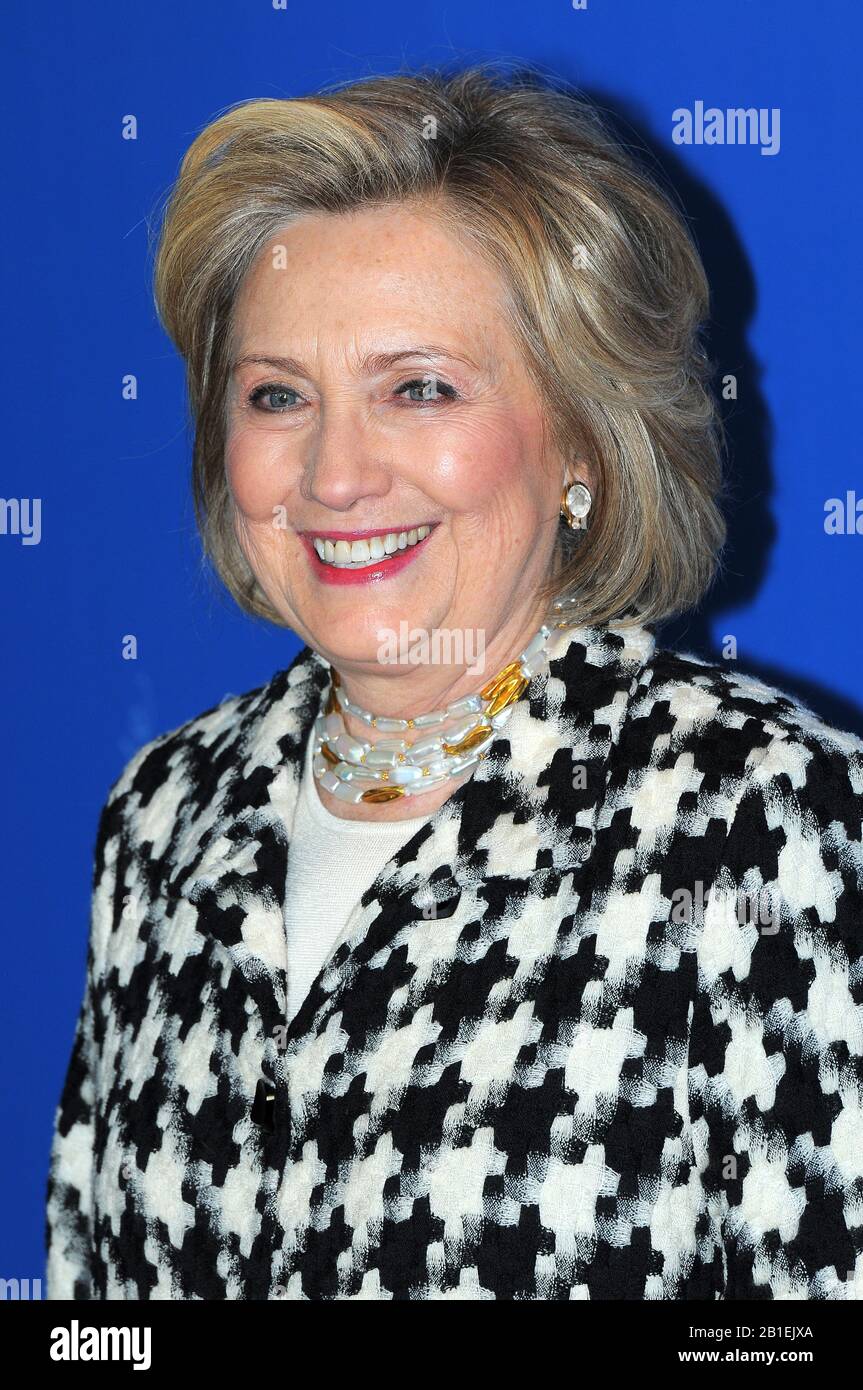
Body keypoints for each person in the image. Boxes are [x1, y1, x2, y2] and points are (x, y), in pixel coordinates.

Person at [45, 65, 863, 1301]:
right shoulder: (162, 816)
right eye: (277, 396)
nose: (331, 475)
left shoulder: (768, 820)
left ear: (583, 436)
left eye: (416, 387)